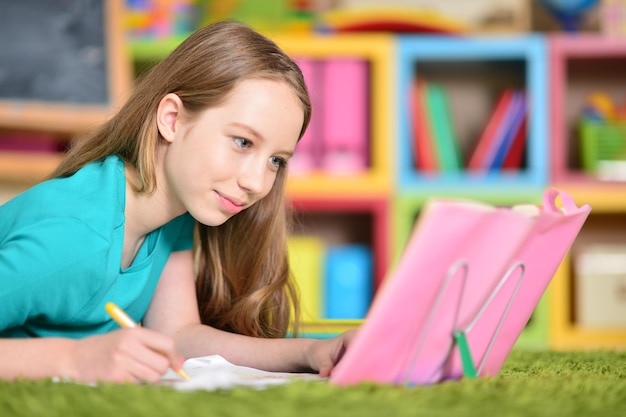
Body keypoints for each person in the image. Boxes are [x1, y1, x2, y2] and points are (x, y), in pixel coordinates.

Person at [0, 21, 355, 383]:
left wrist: (312, 352)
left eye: (276, 160)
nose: (257, 183)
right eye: (243, 142)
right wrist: (73, 359)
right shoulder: (75, 237)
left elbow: (178, 335)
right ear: (171, 119)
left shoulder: (172, 209)